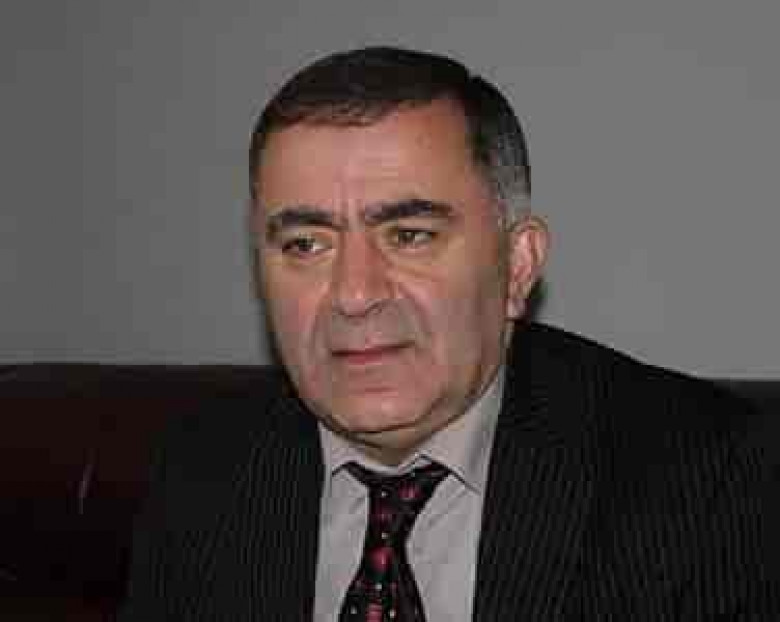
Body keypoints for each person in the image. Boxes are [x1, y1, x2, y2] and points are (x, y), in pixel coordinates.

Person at [120, 46, 777, 620]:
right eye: (306, 244)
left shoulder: (708, 480)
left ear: (517, 265)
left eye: (409, 235)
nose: (354, 295)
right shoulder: (203, 472)